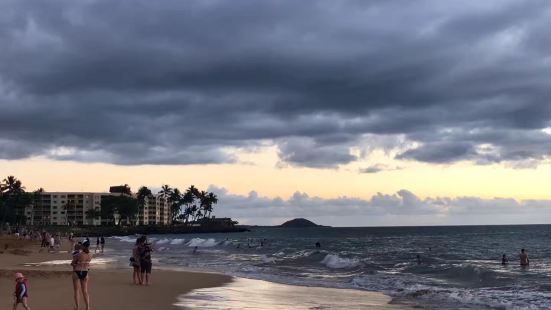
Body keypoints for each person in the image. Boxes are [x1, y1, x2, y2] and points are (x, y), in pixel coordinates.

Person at [71, 240, 92, 310]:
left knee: (76, 291)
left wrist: (75, 263)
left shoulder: (79, 254)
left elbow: (72, 263)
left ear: (83, 246)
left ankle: (77, 307)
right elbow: (88, 263)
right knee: (85, 291)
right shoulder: (91, 254)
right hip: (85, 272)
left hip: (77, 271)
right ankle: (87, 307)